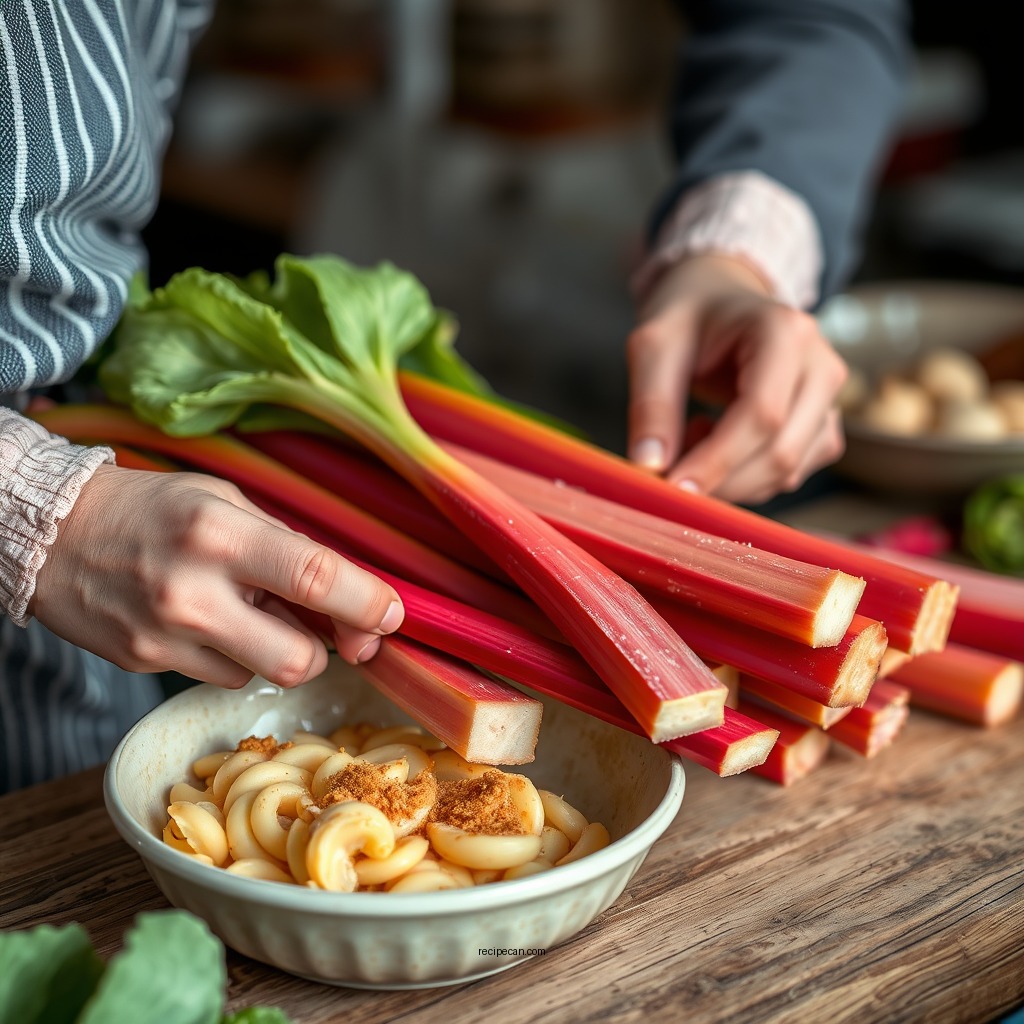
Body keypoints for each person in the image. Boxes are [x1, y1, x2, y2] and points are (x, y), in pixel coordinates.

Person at [0, 0, 909, 790]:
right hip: (93, 527)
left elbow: (807, 15)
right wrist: (31, 507)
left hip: (90, 648)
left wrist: (738, 251)